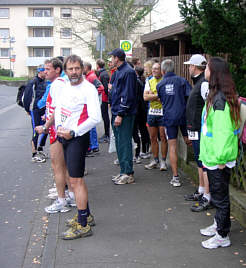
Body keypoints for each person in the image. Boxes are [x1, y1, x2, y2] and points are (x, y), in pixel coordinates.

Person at [55, 55, 101, 240]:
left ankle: (83, 226)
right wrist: (59, 126)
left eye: (76, 68)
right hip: (64, 136)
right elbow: (60, 108)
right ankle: (86, 215)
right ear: (65, 70)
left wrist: (73, 132)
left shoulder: (88, 89)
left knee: (76, 181)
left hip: (77, 138)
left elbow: (95, 118)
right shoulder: (65, 86)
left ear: (82, 68)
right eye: (70, 69)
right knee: (72, 179)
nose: (74, 72)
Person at [199, 57, 240, 249]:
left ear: (214, 72)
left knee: (220, 197)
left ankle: (222, 235)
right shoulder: (218, 96)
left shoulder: (220, 100)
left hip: (219, 158)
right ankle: (219, 225)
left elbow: (223, 133)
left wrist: (221, 159)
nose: (204, 70)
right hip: (214, 156)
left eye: (207, 67)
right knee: (219, 195)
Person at [35, 58, 75, 213]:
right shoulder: (57, 84)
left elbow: (58, 109)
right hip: (58, 127)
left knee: (57, 166)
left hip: (57, 129)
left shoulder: (58, 84)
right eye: (45, 69)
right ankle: (69, 195)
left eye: (48, 68)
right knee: (62, 166)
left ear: (57, 70)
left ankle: (62, 200)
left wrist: (46, 126)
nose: (45, 71)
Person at [183, 54, 212, 212]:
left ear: (194, 67)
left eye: (189, 66)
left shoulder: (203, 84)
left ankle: (206, 194)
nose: (188, 68)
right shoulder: (199, 83)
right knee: (200, 160)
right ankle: (201, 190)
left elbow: (209, 107)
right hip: (195, 128)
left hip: (200, 129)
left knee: (203, 161)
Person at [157, 59, 192, 187]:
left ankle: (176, 177)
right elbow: (190, 97)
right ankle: (202, 168)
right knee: (189, 140)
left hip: (169, 118)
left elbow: (161, 100)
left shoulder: (160, 85)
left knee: (172, 146)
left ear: (163, 70)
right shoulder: (183, 81)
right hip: (183, 117)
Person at [109, 48, 137, 185]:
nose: (110, 60)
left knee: (125, 143)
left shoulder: (128, 72)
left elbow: (128, 95)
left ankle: (128, 173)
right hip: (116, 111)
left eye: (112, 57)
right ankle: (123, 171)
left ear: (117, 58)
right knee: (119, 142)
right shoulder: (119, 71)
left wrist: (120, 114)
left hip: (124, 114)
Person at [144, 62, 168, 171]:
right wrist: (157, 95)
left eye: (157, 69)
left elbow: (165, 98)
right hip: (152, 112)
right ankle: (155, 160)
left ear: (161, 70)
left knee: (163, 137)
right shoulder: (149, 81)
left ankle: (163, 161)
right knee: (152, 138)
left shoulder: (164, 81)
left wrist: (151, 95)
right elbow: (145, 97)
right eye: (153, 69)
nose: (154, 71)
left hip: (163, 113)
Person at [23, 65, 47, 163]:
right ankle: (34, 154)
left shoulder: (46, 82)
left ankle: (40, 148)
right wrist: (27, 109)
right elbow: (27, 97)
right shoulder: (33, 82)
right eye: (44, 71)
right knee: (35, 130)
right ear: (39, 72)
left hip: (44, 109)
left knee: (46, 129)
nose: (46, 73)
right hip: (35, 110)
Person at [83, 62, 104, 154]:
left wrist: (93, 95)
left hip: (91, 104)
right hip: (90, 103)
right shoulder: (88, 76)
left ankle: (93, 146)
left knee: (91, 124)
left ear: (86, 68)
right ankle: (93, 146)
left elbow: (101, 87)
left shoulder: (91, 77)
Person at [96, 59, 110, 143]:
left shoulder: (103, 74)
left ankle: (107, 134)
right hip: (104, 98)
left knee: (105, 117)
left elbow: (105, 87)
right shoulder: (104, 73)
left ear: (98, 65)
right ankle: (106, 134)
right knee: (105, 116)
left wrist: (108, 100)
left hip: (104, 99)